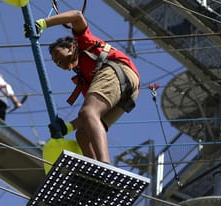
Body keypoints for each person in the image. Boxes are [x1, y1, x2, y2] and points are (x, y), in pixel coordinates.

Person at [27, 9, 140, 164]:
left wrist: (41, 24)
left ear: (71, 47)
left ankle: (104, 166)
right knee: (82, 134)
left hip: (119, 71)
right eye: (54, 60)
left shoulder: (83, 42)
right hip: (127, 93)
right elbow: (91, 117)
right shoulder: (85, 80)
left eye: (58, 53)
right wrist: (67, 128)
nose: (56, 60)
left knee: (88, 112)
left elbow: (77, 15)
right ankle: (96, 174)